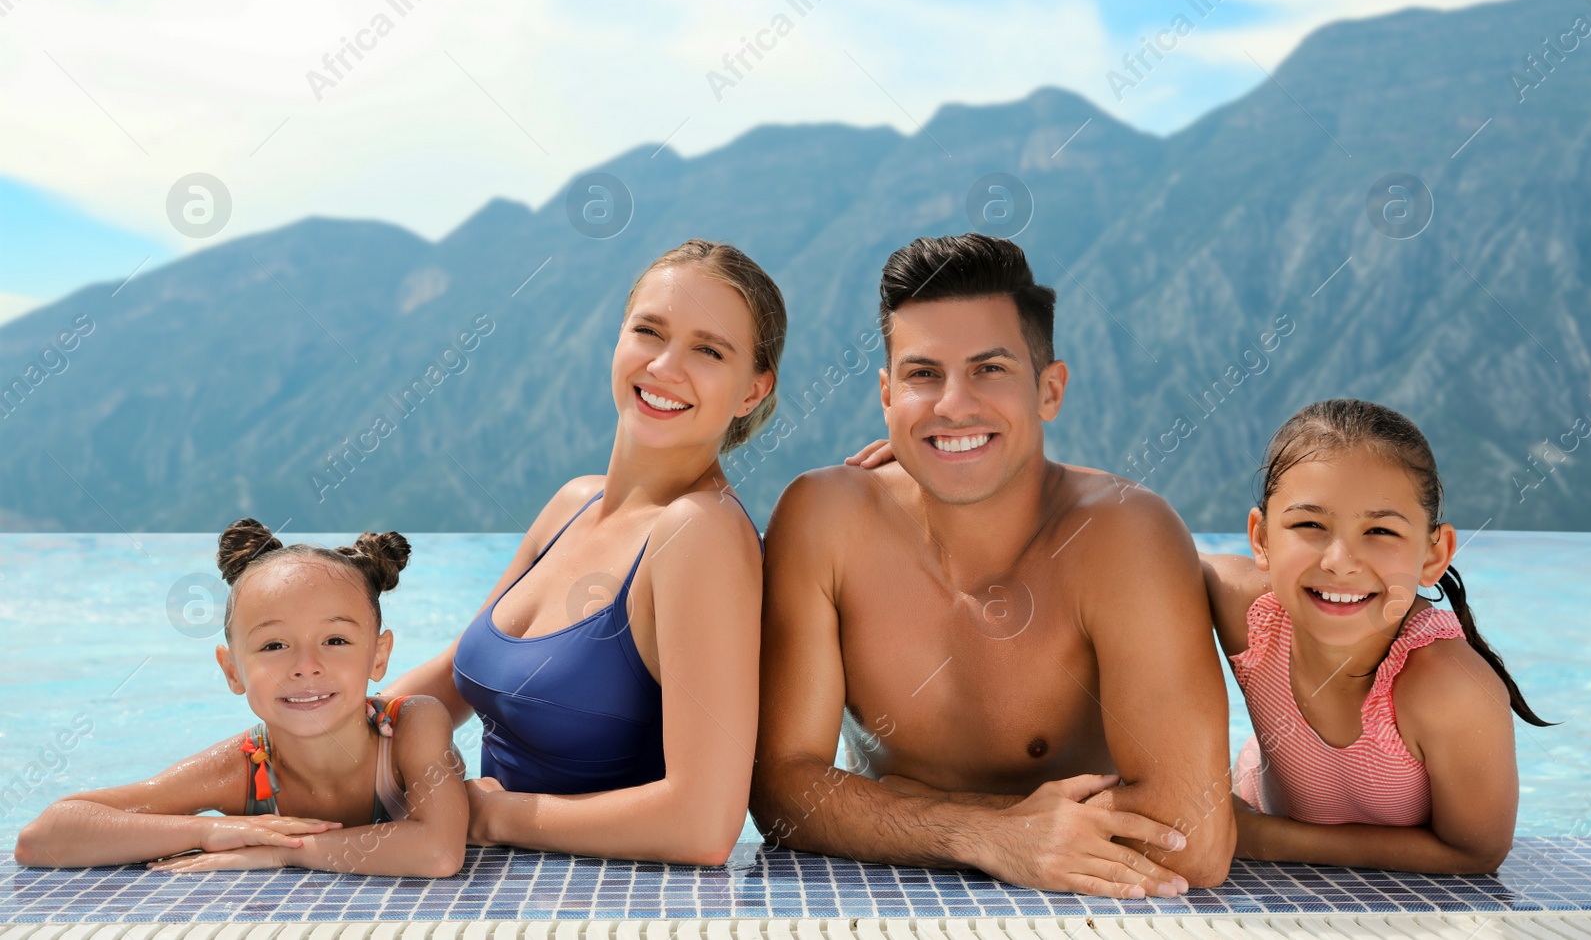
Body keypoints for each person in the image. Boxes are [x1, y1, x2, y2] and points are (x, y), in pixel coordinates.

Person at [752, 233, 1235, 897]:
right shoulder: (824, 518)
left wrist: (895, 809)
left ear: (1049, 388)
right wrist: (991, 834)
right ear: (888, 396)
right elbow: (781, 791)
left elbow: (1196, 840)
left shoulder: (1122, 536)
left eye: (990, 369)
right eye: (924, 374)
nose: (953, 403)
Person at [383, 239, 784, 866]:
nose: (665, 366)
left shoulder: (698, 534)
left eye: (708, 350)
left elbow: (704, 826)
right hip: (488, 882)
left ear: (753, 390)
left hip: (599, 907)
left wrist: (492, 816)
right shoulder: (573, 502)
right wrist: (306, 743)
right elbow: (449, 679)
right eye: (649, 331)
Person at [1201, 398, 1551, 873]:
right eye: (1309, 525)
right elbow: (1117, 585)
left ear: (1433, 555)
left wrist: (1261, 836)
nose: (1340, 561)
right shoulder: (1243, 609)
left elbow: (1476, 851)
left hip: (1261, 826)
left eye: (1380, 531)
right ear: (1261, 538)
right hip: (1252, 790)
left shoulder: (1448, 688)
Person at [14, 521, 467, 876]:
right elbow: (44, 836)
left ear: (379, 656)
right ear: (233, 671)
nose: (305, 666)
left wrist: (283, 854)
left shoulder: (411, 725)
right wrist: (212, 829)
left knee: (486, 808)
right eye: (274, 646)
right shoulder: (242, 770)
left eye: (335, 640)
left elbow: (439, 851)